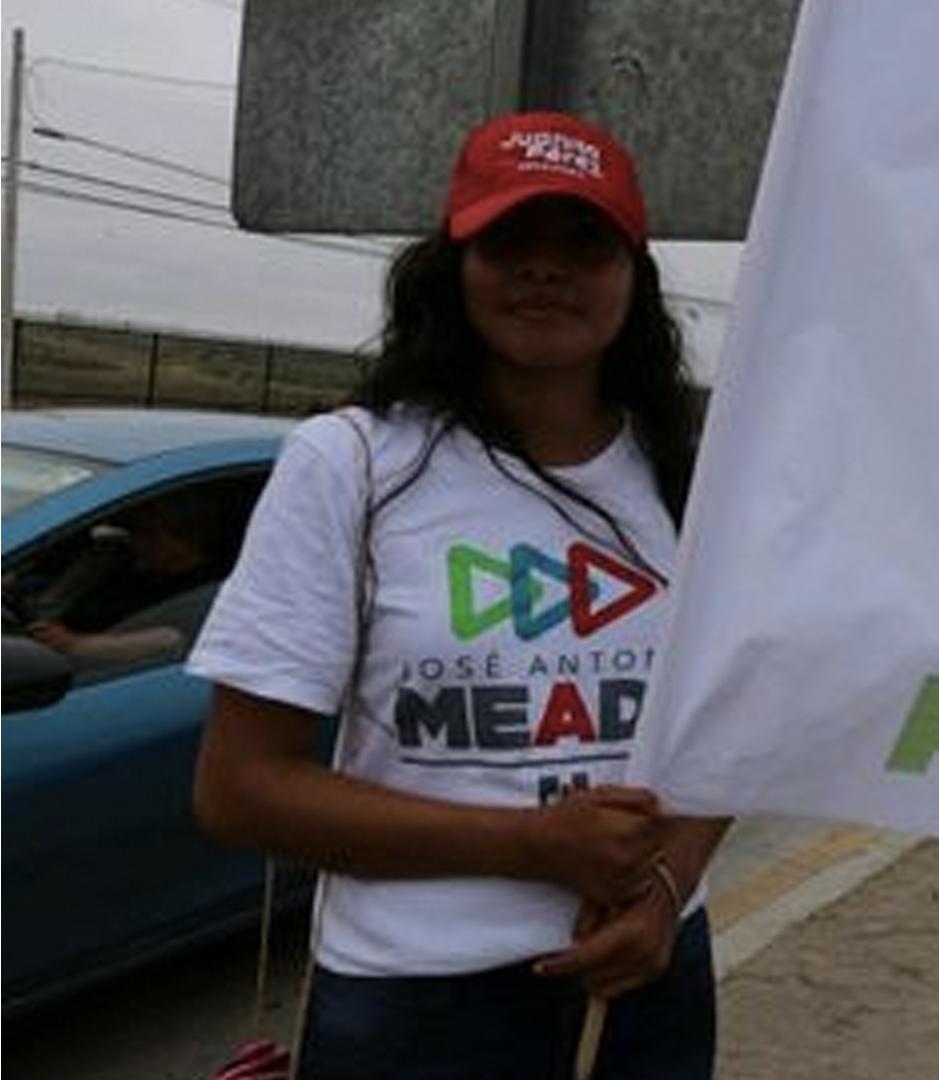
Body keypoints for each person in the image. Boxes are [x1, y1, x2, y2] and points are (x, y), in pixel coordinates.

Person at [190, 111, 728, 1080]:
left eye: (585, 242)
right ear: (454, 263)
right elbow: (239, 789)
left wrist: (667, 886)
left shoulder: (687, 478)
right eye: (509, 237)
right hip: (419, 1011)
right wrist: (532, 845)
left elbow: (738, 726)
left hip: (652, 980)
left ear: (634, 277)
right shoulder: (351, 465)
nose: (545, 267)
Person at [26, 497, 223, 665]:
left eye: (148, 532)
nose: (136, 540)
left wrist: (74, 645)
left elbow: (170, 640)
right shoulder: (133, 570)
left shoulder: (202, 590)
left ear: (183, 539)